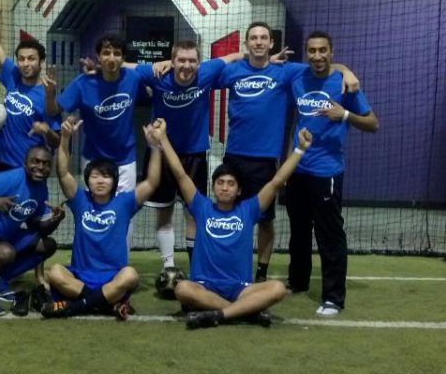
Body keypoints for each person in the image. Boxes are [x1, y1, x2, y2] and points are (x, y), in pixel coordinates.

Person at [218, 22, 359, 282]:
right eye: (253, 38)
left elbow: (322, 66)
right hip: (234, 156)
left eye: (263, 38)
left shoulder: (287, 72)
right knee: (232, 218)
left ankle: (261, 272)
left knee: (264, 220)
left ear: (271, 43)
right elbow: (200, 72)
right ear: (247, 43)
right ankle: (233, 268)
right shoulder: (232, 71)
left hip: (266, 161)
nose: (258, 42)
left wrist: (346, 70)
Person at [157, 119, 314, 329]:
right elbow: (180, 173)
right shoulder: (202, 207)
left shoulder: (248, 210)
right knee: (183, 289)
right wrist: (163, 138)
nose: (225, 188)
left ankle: (219, 314)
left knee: (277, 288)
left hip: (240, 288)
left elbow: (276, 181)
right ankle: (245, 312)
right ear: (213, 187)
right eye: (220, 183)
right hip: (204, 286)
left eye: (231, 184)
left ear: (239, 190)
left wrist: (300, 149)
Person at [285, 31, 378, 316]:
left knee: (329, 235)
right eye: (311, 51)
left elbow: (373, 124)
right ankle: (298, 283)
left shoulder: (345, 84)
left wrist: (345, 115)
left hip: (328, 172)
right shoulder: (297, 76)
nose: (317, 56)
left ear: (331, 51)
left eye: (322, 50)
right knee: (298, 230)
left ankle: (334, 298)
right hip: (298, 168)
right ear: (306, 53)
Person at [132, 41, 245, 269]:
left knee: (193, 213)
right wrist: (95, 68)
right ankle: (169, 268)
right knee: (164, 212)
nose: (186, 65)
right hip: (162, 153)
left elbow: (234, 56)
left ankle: (196, 267)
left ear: (199, 62)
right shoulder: (157, 75)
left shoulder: (208, 71)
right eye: (181, 60)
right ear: (172, 62)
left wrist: (268, 59)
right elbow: (125, 66)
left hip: (194, 155)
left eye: (192, 60)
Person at [40, 117, 165, 319]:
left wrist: (154, 147)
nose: (100, 181)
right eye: (95, 176)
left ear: (114, 181)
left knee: (130, 275)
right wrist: (65, 139)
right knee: (55, 272)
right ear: (87, 180)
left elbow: (152, 182)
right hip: (80, 275)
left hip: (113, 277)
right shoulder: (80, 199)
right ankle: (108, 304)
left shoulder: (124, 202)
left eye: (106, 176)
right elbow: (63, 173)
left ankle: (73, 307)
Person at [0, 146, 66, 316]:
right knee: (6, 253)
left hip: (2, 237)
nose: (40, 167)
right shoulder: (10, 179)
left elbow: (39, 229)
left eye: (46, 163)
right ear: (25, 163)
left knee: (47, 245)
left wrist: (55, 219)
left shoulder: (41, 189)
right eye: (35, 161)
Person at [44, 35, 145, 195]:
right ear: (98, 57)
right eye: (106, 53)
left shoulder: (133, 79)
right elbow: (53, 110)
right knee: (93, 210)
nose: (111, 58)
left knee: (123, 211)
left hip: (125, 159)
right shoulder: (83, 83)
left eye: (117, 53)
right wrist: (50, 93)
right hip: (94, 158)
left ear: (123, 58)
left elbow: (153, 86)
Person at [0, 4, 61, 174]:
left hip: (29, 168)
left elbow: (57, 142)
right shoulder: (13, 76)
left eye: (31, 59)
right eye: (21, 59)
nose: (26, 64)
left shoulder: (48, 95)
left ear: (41, 61)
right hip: (2, 162)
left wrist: (46, 130)